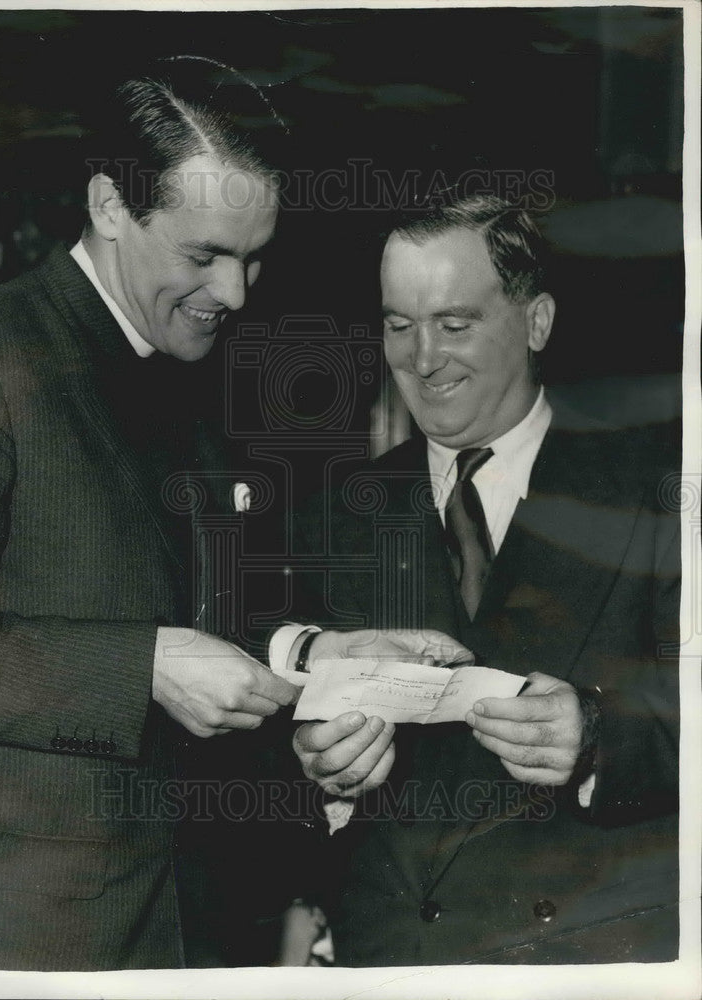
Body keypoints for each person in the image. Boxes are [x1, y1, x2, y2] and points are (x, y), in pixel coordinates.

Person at [0, 59, 459, 971]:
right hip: (22, 940)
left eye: (254, 258)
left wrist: (317, 657)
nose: (237, 294)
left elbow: (209, 625)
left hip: (191, 928)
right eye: (203, 255)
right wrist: (143, 664)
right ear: (107, 206)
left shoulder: (182, 382)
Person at [289, 193, 680, 964]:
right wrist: (315, 765)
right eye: (398, 326)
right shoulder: (335, 515)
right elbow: (249, 742)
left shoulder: (656, 491)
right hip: (390, 956)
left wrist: (599, 741)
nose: (421, 358)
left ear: (535, 322)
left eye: (454, 324)